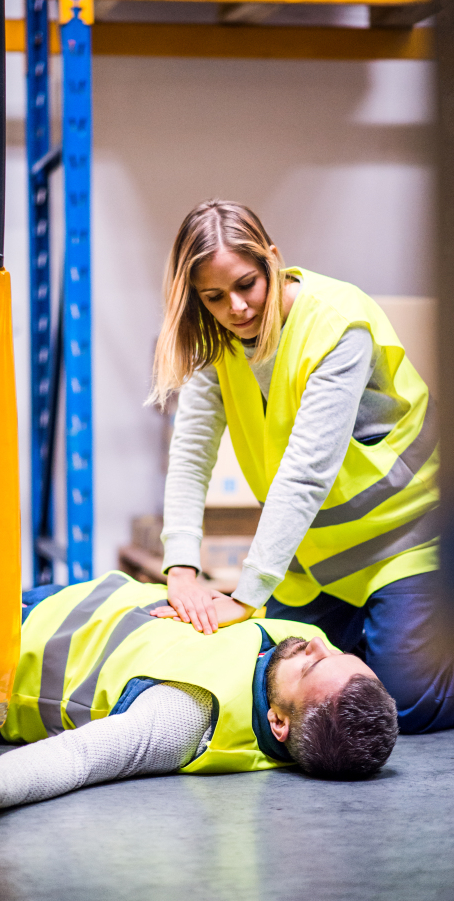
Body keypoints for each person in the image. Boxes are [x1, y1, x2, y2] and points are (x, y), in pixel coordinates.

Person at [148, 199, 451, 735]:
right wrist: (181, 572)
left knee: (399, 702)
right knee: (270, 680)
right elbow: (192, 452)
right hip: (314, 559)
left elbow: (305, 472)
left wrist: (246, 595)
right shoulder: (215, 340)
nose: (236, 308)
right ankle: (375, 630)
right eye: (214, 297)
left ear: (272, 260)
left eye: (247, 284)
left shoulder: (338, 325)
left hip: (404, 541)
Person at [0, 571, 398, 830]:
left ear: (277, 723)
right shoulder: (293, 652)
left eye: (314, 664)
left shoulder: (188, 718)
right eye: (338, 653)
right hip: (52, 597)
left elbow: (82, 757)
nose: (317, 645)